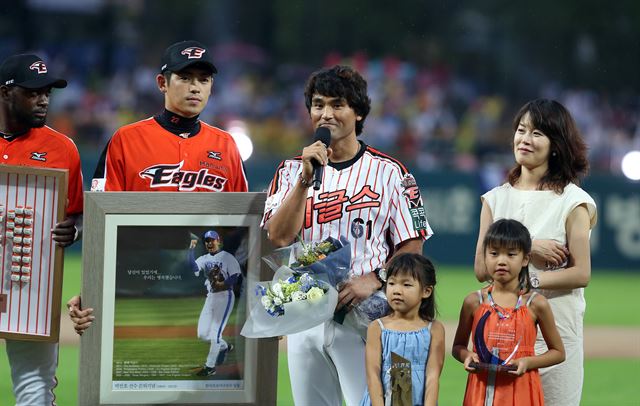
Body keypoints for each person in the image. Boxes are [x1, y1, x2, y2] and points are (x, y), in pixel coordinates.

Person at [262, 65, 433, 406]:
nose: (326, 113)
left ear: (358, 112)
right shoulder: (291, 170)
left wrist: (376, 278)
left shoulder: (390, 173)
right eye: (318, 104)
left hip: (368, 314)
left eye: (338, 104)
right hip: (306, 316)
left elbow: (413, 246)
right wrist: (305, 180)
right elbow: (279, 237)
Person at [69, 40, 248, 332]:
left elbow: (241, 229)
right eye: (185, 78)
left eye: (204, 80)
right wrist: (91, 290)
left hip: (202, 288)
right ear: (162, 83)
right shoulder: (126, 140)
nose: (195, 87)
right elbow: (99, 222)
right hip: (138, 284)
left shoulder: (226, 145)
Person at [473, 99, 597, 405]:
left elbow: (581, 273)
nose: (525, 139)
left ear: (556, 145)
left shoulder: (572, 201)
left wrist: (530, 281)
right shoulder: (495, 199)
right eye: (521, 129)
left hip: (555, 333)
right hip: (501, 334)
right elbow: (480, 268)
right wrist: (528, 245)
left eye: (537, 133)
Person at [0, 53, 83, 405]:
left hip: (29, 290)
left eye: (47, 91)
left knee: (34, 386)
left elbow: (77, 214)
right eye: (33, 92)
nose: (44, 99)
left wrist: (74, 231)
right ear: (6, 93)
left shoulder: (62, 148)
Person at [454, 219, 565, 405]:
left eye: (511, 254)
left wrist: (527, 362)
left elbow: (558, 352)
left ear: (525, 259)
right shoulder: (473, 302)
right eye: (494, 253)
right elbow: (458, 346)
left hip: (521, 392)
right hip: (481, 392)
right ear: (485, 256)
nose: (501, 261)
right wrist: (467, 356)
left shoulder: (535, 304)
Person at [360, 253, 445, 406]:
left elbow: (433, 377)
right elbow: (373, 375)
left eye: (406, 285)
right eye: (392, 283)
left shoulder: (434, 329)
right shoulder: (377, 328)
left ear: (426, 291)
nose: (397, 290)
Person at [188, 230, 242, 376]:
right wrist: (191, 248)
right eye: (207, 241)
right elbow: (193, 267)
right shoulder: (204, 258)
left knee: (215, 334)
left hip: (225, 297)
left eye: (212, 240)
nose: (210, 243)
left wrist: (223, 283)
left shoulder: (227, 257)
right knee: (202, 335)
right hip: (210, 297)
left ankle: (210, 367)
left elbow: (235, 276)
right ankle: (225, 346)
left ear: (218, 240)